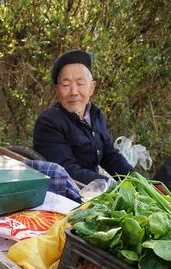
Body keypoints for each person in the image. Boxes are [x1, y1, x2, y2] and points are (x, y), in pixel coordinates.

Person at [33, 50, 134, 184]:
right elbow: (67, 170)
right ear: (57, 90)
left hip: (94, 191)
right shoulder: (49, 122)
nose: (74, 92)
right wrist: (112, 186)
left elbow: (110, 156)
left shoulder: (96, 116)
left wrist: (138, 181)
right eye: (66, 85)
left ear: (92, 88)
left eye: (80, 84)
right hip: (65, 194)